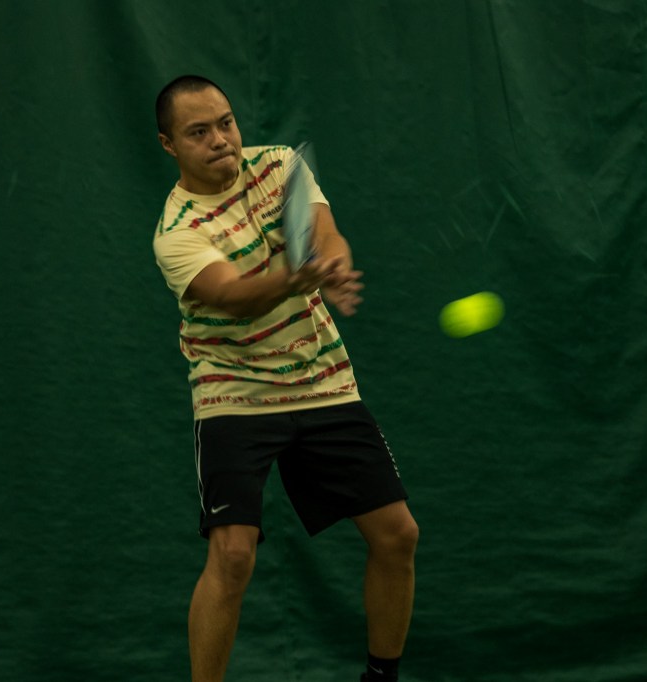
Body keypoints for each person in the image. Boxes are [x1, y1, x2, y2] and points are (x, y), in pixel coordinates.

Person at [152, 74, 418, 682]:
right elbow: (235, 298)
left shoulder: (279, 166)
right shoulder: (177, 231)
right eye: (199, 132)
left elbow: (326, 234)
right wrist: (296, 278)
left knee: (398, 534)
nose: (220, 139)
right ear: (169, 145)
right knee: (233, 553)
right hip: (234, 392)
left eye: (225, 122)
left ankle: (380, 679)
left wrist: (333, 265)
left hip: (323, 379)